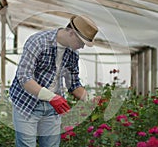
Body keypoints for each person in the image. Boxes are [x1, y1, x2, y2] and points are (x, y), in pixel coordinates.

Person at [9, 14, 98, 147]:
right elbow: (24, 76)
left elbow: (73, 84)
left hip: (52, 108)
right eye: (81, 42)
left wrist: (90, 98)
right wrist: (51, 97)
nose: (82, 47)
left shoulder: (73, 53)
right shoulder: (38, 42)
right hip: (26, 103)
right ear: (71, 33)